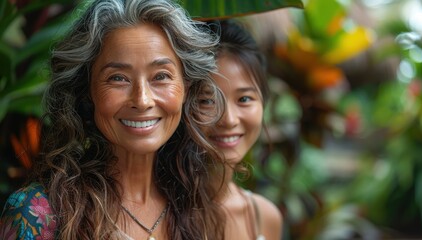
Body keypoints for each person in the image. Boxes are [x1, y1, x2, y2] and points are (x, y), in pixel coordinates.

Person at [0, 0, 226, 239]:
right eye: (118, 78)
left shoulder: (199, 209)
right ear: (88, 90)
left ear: (186, 88)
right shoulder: (36, 213)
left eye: (161, 76)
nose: (142, 100)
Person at [203, 20, 283, 240]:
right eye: (207, 101)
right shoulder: (153, 216)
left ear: (264, 103)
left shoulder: (264, 217)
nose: (228, 119)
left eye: (244, 99)